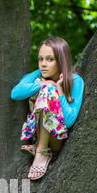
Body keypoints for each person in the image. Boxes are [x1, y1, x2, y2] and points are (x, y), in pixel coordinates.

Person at [11, 36, 84, 180]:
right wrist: (43, 84)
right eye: (41, 59)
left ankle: (42, 152)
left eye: (50, 59)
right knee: (43, 86)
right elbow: (15, 93)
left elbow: (69, 121)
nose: (43, 64)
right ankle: (38, 145)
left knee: (48, 91)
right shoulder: (38, 76)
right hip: (37, 132)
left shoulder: (75, 81)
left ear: (61, 60)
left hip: (56, 138)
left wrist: (58, 89)